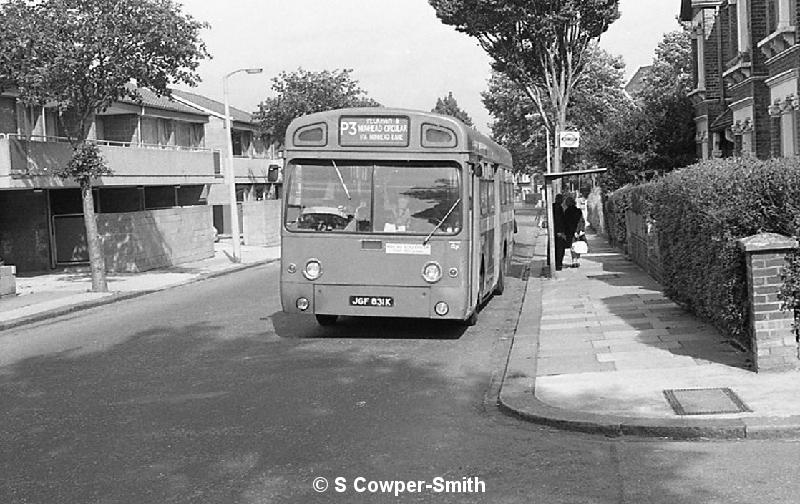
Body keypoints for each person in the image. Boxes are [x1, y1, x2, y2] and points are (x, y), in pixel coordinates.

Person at [563, 194, 585, 267]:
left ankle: (574, 261)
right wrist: (581, 230)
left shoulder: (567, 211)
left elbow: (566, 223)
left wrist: (567, 232)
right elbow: (582, 221)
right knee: (578, 245)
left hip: (570, 232)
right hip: (578, 231)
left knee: (573, 246)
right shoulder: (578, 211)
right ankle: (577, 260)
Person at [549, 193, 567, 270]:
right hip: (558, 232)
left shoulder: (554, 206)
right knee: (559, 249)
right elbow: (559, 221)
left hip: (555, 231)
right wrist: (560, 231)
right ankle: (558, 265)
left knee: (557, 249)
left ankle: (556, 263)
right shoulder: (558, 208)